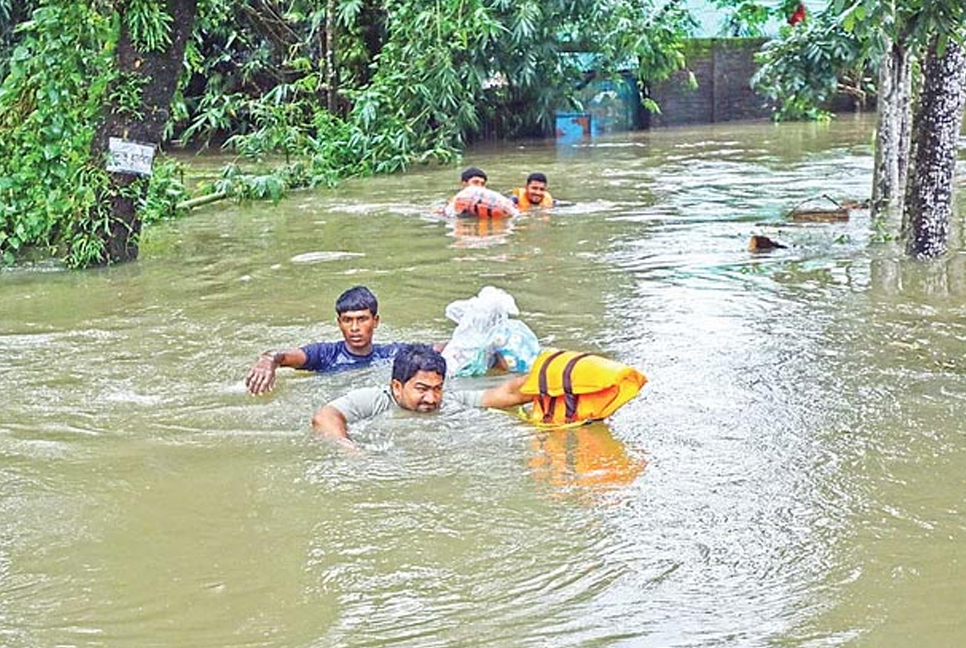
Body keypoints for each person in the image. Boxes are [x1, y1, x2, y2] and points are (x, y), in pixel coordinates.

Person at [311, 344, 528, 448]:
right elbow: (324, 417)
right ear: (397, 386)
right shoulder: (376, 400)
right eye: (422, 389)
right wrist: (351, 452)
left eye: (437, 388)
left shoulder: (450, 401)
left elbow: (507, 393)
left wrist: (556, 374)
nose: (432, 399)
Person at [245, 285, 406, 395]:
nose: (354, 328)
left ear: (375, 321)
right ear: (339, 323)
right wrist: (268, 360)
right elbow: (283, 356)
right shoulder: (324, 354)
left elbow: (429, 351)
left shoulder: (391, 354)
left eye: (362, 319)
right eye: (347, 320)